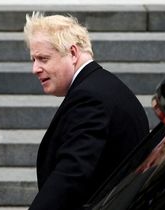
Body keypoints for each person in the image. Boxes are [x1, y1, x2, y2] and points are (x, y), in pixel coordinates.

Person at [24, 12, 149, 210]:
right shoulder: (102, 86)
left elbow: (72, 173)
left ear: (73, 53)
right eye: (33, 59)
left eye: (43, 58)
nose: (35, 69)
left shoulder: (91, 98)